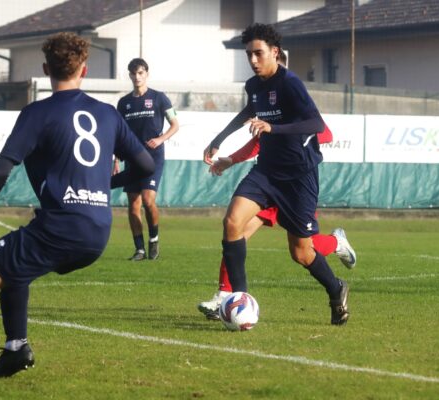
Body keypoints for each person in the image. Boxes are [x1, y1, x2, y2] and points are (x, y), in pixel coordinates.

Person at [0, 32, 154, 388]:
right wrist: (102, 187)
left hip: (61, 227)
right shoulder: (108, 114)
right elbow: (145, 166)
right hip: (98, 230)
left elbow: (2, 168)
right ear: (84, 69)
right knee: (16, 269)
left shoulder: (39, 112)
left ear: (45, 68)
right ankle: (15, 349)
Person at [203, 23, 350, 325]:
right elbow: (248, 112)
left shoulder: (290, 84)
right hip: (266, 172)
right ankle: (239, 298)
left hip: (298, 178)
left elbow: (315, 124)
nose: (253, 60)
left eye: (258, 53)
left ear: (274, 52)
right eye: (249, 55)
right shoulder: (254, 86)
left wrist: (275, 128)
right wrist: (219, 139)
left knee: (301, 253)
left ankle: (336, 289)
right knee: (232, 222)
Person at [197, 125, 356, 319]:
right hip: (268, 182)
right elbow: (258, 142)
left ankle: (335, 242)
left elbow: (325, 134)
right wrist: (231, 158)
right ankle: (226, 295)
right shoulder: (267, 106)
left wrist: (291, 137)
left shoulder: (297, 104)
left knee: (302, 251)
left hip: (296, 185)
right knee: (236, 230)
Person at [115, 58, 179, 261]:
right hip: (132, 158)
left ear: (147, 74)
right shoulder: (124, 103)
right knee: (133, 204)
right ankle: (139, 250)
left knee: (148, 199)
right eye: (133, 73)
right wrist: (115, 158)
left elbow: (175, 124)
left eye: (140, 73)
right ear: (130, 75)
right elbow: (118, 134)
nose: (137, 77)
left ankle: (154, 240)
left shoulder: (159, 98)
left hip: (153, 158)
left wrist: (160, 139)